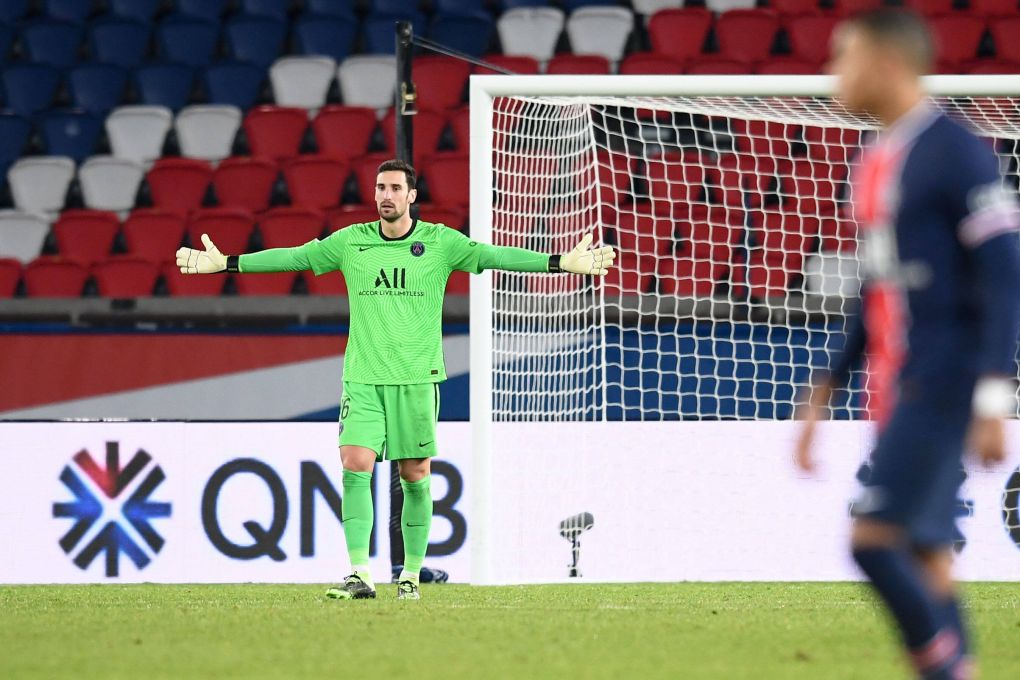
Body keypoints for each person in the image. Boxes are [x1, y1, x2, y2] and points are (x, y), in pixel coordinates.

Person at [176, 158, 615, 601]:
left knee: (415, 474)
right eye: (380, 187)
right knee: (355, 464)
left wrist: (560, 262)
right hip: (363, 378)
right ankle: (360, 573)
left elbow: (491, 255)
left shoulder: (439, 243)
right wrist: (229, 264)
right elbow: (296, 257)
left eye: (394, 188)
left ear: (412, 196)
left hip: (417, 380)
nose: (386, 195)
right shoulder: (352, 243)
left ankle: (410, 575)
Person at [794, 10, 1020, 679]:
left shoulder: (956, 152)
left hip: (942, 381)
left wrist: (991, 395)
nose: (833, 72)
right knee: (927, 553)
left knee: (871, 540)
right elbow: (876, 290)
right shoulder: (874, 163)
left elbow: (1006, 277)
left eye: (845, 56)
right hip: (896, 386)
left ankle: (945, 668)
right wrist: (825, 388)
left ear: (887, 61)